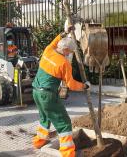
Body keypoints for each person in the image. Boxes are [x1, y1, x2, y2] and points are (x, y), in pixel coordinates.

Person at [32, 26, 91, 157]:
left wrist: (64, 33)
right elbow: (71, 84)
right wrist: (85, 86)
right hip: (47, 95)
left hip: (36, 91)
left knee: (45, 118)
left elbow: (54, 41)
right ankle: (68, 153)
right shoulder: (64, 63)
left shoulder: (48, 50)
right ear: (65, 50)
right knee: (64, 124)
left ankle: (38, 142)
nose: (70, 54)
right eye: (69, 51)